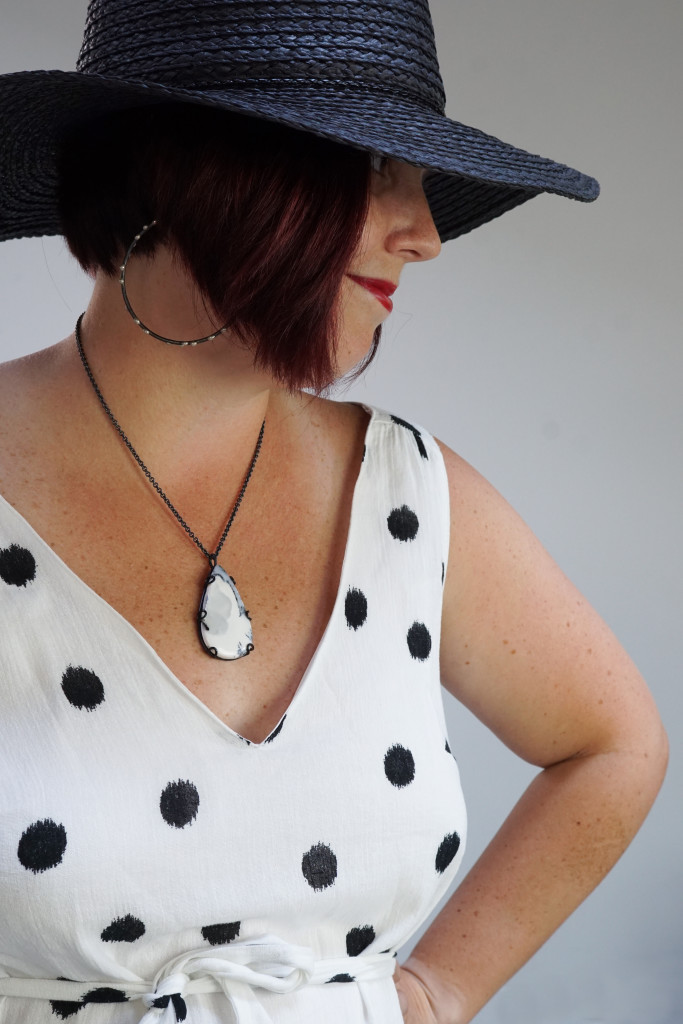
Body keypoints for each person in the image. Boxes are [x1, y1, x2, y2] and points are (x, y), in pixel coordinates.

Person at [0, 2, 667, 1023]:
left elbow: (613, 744)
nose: (428, 234)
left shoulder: (404, 494)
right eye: (377, 169)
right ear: (207, 166)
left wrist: (436, 994)